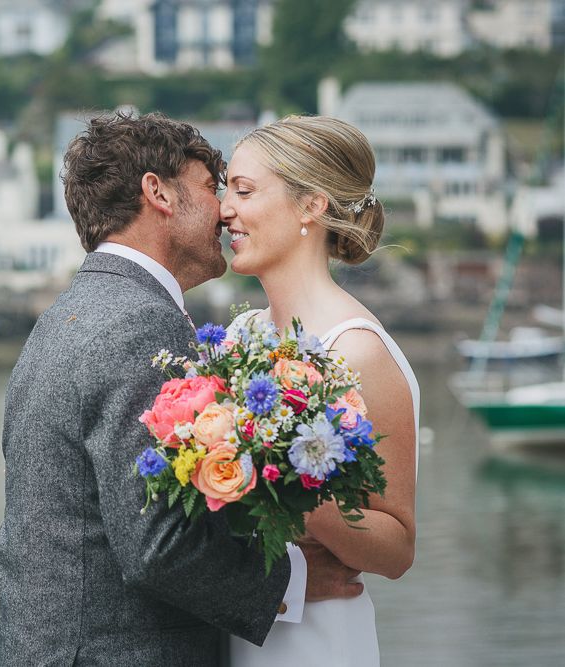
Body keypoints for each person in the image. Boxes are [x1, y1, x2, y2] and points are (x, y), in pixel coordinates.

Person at [0, 112, 363, 667]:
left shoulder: (68, 315)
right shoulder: (140, 323)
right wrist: (298, 581)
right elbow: (157, 547)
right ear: (157, 192)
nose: (224, 212)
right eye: (212, 188)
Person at [221, 115, 419, 667]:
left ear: (312, 205)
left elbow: (398, 548)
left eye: (244, 190)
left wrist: (288, 492)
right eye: (225, 189)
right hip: (239, 627)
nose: (224, 209)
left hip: (317, 642)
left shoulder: (358, 351)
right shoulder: (240, 336)